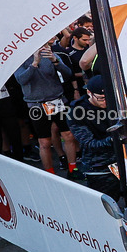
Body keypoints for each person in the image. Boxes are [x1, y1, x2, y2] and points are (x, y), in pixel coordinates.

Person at [15, 41, 78, 177]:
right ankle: (50, 174)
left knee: (68, 135)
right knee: (44, 141)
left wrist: (55, 61)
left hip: (56, 100)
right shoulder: (19, 59)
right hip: (36, 104)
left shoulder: (50, 54)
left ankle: (73, 169)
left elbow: (68, 74)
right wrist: (34, 63)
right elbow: (21, 80)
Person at [67, 75, 121, 200]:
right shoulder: (77, 112)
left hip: (123, 161)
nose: (106, 102)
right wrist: (114, 138)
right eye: (101, 98)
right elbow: (89, 143)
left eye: (108, 97)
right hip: (99, 167)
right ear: (89, 92)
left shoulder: (117, 101)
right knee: (106, 207)